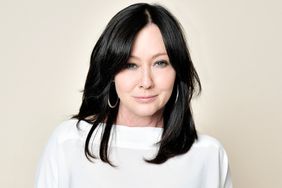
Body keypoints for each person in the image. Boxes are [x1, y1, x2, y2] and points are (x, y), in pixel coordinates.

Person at [35, 3, 232, 188]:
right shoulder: (68, 143)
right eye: (130, 65)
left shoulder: (208, 155)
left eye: (160, 63)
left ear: (177, 70)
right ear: (111, 72)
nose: (146, 82)